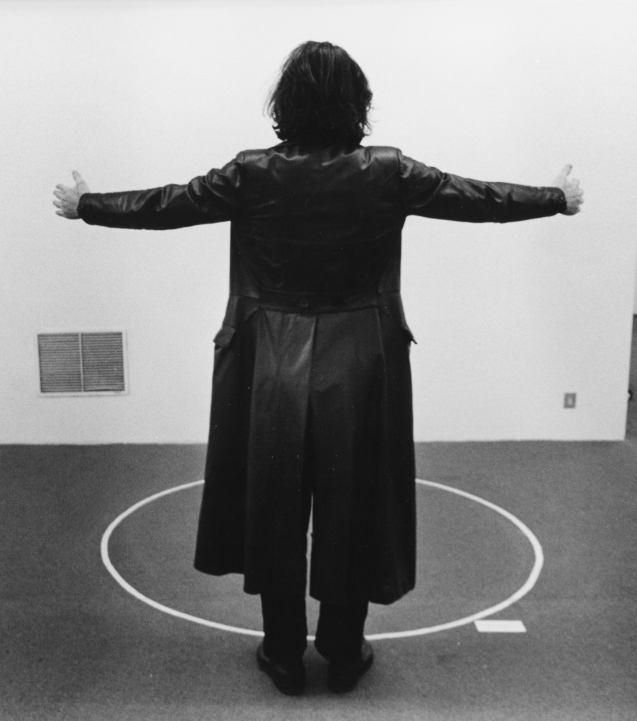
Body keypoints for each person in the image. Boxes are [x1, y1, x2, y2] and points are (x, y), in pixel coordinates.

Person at [54, 40, 583, 696]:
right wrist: (555, 197)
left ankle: (282, 652)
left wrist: (87, 204)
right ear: (357, 102)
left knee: (273, 505)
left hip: (269, 364)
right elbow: (476, 198)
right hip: (361, 362)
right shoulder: (388, 172)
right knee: (354, 506)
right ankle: (341, 648)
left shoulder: (252, 173)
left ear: (287, 103)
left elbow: (168, 206)